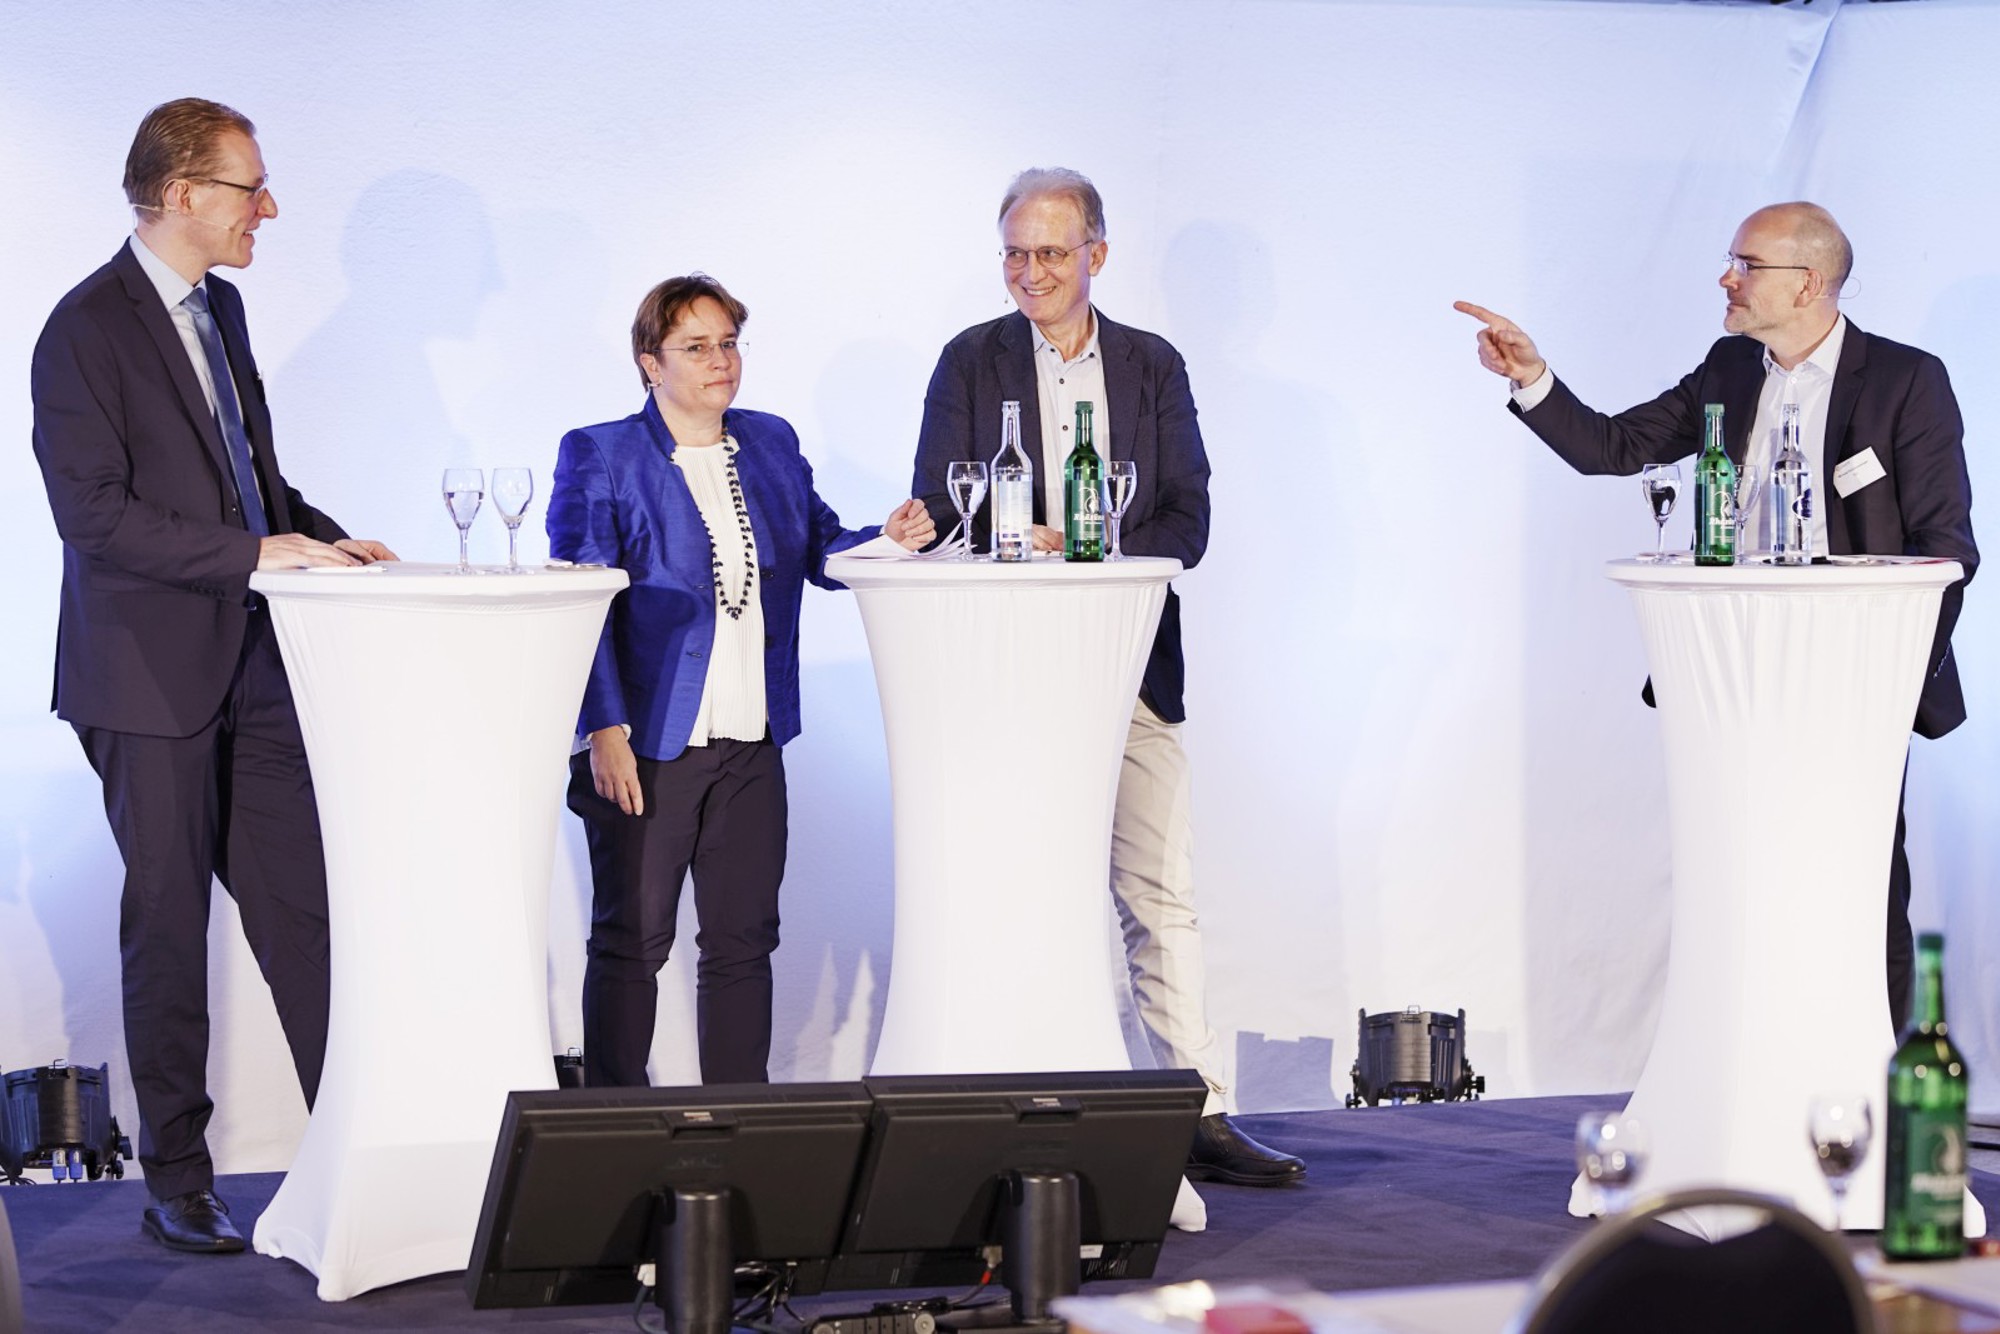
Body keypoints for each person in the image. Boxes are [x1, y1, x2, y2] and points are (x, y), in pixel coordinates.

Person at [1456, 201, 1977, 1031]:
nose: (1726, 279)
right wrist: (1532, 376)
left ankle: (1872, 1071)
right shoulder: (1730, 366)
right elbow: (1615, 448)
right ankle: (1748, 1057)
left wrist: (1891, 676)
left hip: (1854, 676)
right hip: (1732, 669)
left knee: (1863, 883)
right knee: (1740, 881)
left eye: (1746, 264)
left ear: (1807, 283)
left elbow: (1947, 552)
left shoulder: (1905, 380)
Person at [29, 98, 397, 1254]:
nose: (268, 209)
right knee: (170, 922)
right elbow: (93, 517)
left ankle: (357, 1144)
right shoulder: (82, 329)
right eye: (251, 187)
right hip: (144, 678)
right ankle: (178, 1177)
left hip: (251, 661)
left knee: (309, 915)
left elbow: (250, 486)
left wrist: (322, 539)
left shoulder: (219, 308)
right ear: (183, 193)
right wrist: (254, 551)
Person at [911, 168, 1306, 1195]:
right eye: (1014, 253)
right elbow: (943, 506)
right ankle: (1014, 1109)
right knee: (1019, 892)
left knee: (1159, 894)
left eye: (1049, 252)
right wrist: (922, 523)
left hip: (1130, 671)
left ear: (1096, 253)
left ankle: (1199, 1112)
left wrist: (1081, 544)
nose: (1029, 272)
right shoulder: (969, 360)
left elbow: (1187, 524)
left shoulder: (1150, 365)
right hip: (1008, 681)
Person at [550, 274, 934, 1088]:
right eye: (695, 347)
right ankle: (613, 1127)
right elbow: (579, 604)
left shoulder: (768, 442)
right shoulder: (602, 453)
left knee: (743, 943)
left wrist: (888, 541)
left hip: (752, 742)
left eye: (728, 343)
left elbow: (820, 547)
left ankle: (738, 1128)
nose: (719, 361)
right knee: (630, 944)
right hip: (647, 743)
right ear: (650, 362)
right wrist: (604, 730)